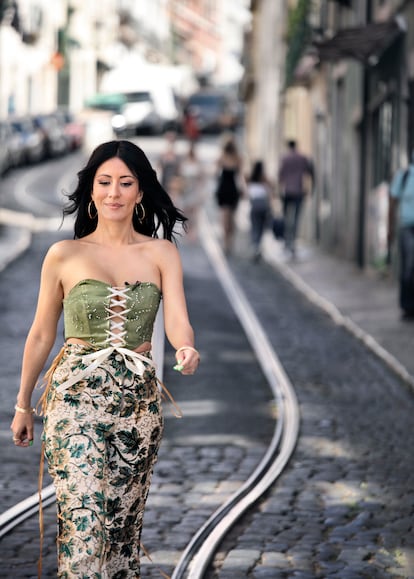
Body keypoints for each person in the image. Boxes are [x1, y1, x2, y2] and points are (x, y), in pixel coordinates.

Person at [10, 140, 200, 578]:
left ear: (140, 192)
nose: (114, 192)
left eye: (125, 183)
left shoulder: (161, 253)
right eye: (105, 182)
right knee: (85, 528)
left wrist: (186, 348)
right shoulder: (64, 255)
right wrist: (23, 404)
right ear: (91, 191)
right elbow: (41, 333)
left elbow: (177, 322)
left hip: (138, 406)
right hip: (74, 402)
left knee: (120, 535)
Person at [278, 139, 314, 256]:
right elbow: (310, 173)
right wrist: (310, 189)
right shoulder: (302, 158)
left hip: (287, 192)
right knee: (296, 219)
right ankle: (292, 243)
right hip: (299, 191)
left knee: (286, 217)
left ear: (288, 147)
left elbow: (280, 176)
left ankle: (286, 242)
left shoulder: (285, 158)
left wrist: (279, 191)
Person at [389, 159, 414, 320]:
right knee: (409, 268)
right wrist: (390, 228)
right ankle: (407, 306)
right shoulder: (404, 175)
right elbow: (393, 201)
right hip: (407, 228)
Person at [214, 135, 244, 253]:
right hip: (230, 190)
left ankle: (228, 241)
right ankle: (228, 242)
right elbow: (240, 176)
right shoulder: (236, 158)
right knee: (229, 218)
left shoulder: (227, 158)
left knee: (228, 218)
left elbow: (216, 174)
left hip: (227, 189)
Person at [246, 160, 273, 261]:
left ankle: (255, 247)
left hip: (255, 206)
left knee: (255, 227)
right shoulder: (265, 180)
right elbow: (270, 193)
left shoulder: (250, 179)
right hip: (264, 206)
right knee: (261, 228)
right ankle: (258, 247)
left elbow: (247, 194)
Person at [179, 141, 206, 241]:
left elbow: (202, 178)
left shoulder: (198, 163)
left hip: (194, 190)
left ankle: (193, 231)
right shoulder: (184, 162)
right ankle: (187, 229)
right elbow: (180, 177)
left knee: (194, 213)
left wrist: (201, 190)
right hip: (186, 190)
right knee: (186, 212)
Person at [157, 130, 182, 204]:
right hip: (165, 180)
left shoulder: (177, 155)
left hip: (173, 181)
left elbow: (178, 169)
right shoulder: (163, 154)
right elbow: (159, 166)